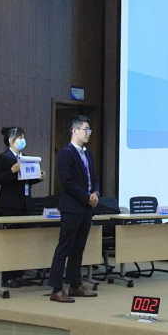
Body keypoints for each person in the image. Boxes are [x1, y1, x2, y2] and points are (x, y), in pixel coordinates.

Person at [48, 115, 100, 303]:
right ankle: (56, 289)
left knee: (79, 248)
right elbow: (67, 183)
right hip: (72, 208)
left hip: (86, 208)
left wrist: (95, 193)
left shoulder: (87, 154)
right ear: (74, 130)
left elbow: (93, 178)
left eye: (89, 129)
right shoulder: (66, 153)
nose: (89, 133)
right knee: (64, 248)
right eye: (86, 129)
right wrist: (87, 197)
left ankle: (75, 285)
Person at [0, 127, 44, 288]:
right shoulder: (2, 158)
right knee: (11, 242)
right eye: (20, 138)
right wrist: (12, 170)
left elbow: (26, 180)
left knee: (22, 241)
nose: (23, 140)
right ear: (11, 140)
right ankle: (7, 277)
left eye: (23, 137)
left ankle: (19, 275)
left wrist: (38, 177)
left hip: (25, 203)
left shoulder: (26, 158)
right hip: (9, 205)